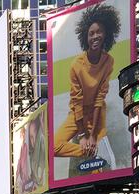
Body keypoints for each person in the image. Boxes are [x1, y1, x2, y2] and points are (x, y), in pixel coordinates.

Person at [53, 4, 121, 168]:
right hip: (78, 113)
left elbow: (99, 98)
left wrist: (93, 135)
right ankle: (91, 152)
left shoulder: (108, 61)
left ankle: (96, 152)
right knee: (54, 146)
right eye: (91, 33)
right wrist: (84, 137)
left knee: (103, 162)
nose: (95, 36)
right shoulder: (76, 65)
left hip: (97, 112)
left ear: (106, 35)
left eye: (99, 32)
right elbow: (77, 102)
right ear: (85, 36)